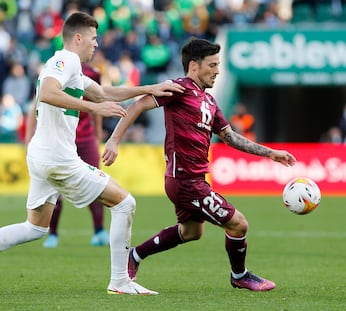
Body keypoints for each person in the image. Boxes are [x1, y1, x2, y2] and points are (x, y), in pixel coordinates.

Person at [0, 11, 184, 295]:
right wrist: (94, 109)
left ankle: (121, 281)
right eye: (93, 38)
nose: (96, 44)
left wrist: (150, 88)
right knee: (125, 204)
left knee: (35, 227)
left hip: (41, 155)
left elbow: (103, 94)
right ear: (77, 38)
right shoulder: (67, 60)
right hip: (58, 158)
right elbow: (48, 93)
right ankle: (121, 281)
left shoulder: (69, 67)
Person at [102, 38, 296, 292]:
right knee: (239, 224)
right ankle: (240, 275)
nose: (217, 71)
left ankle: (135, 255)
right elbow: (139, 104)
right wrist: (114, 140)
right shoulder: (178, 89)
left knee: (192, 232)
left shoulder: (209, 101)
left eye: (218, 65)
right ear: (194, 66)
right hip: (185, 180)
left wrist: (270, 153)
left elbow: (230, 137)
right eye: (213, 65)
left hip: (194, 179)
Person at [25, 63, 110, 248]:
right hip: (59, 141)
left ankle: (99, 231)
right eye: (92, 40)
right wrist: (28, 139)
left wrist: (97, 135)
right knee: (55, 189)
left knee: (95, 183)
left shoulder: (93, 72)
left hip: (85, 139)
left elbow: (98, 102)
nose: (94, 45)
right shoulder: (53, 70)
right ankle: (52, 234)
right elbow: (36, 106)